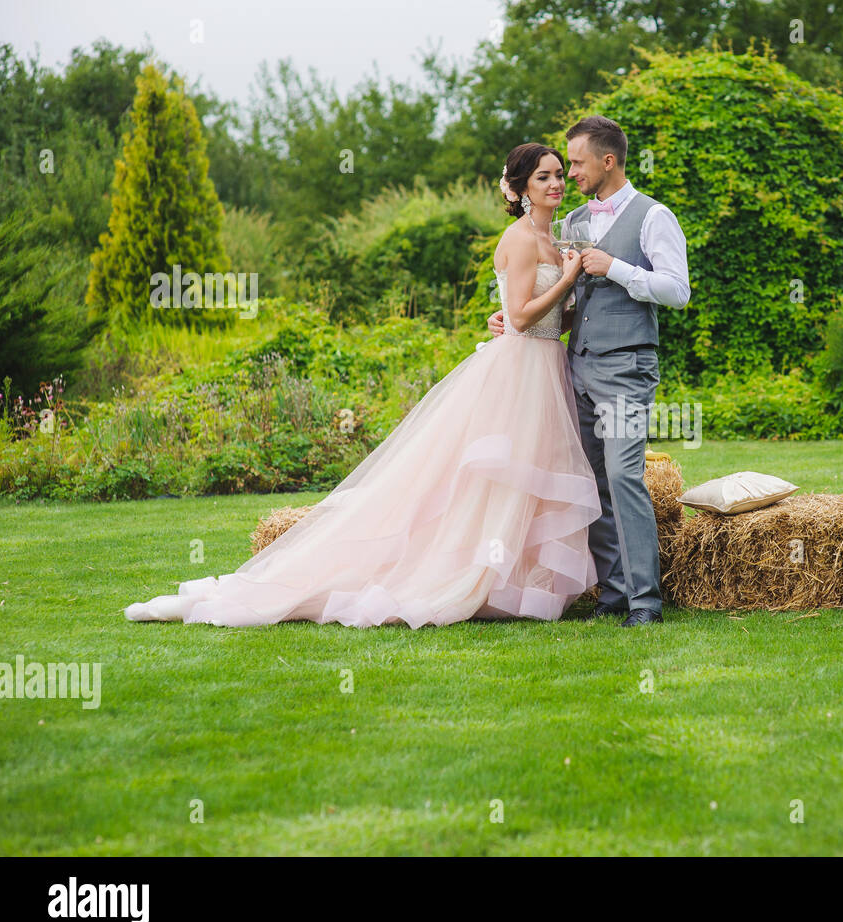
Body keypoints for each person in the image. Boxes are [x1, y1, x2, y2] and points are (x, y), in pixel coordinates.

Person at [125, 143, 600, 628]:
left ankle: (513, 584)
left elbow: (541, 321)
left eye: (559, 174)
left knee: (528, 479)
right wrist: (565, 280)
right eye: (543, 177)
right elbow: (521, 316)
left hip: (545, 368)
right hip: (517, 374)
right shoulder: (520, 238)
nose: (556, 183)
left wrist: (566, 299)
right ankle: (453, 576)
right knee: (495, 479)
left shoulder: (553, 240)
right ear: (521, 189)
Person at [488, 115, 691, 626]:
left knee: (624, 475)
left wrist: (616, 268)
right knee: (591, 479)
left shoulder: (653, 216)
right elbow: (563, 298)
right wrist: (514, 323)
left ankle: (646, 602)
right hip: (573, 366)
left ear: (607, 160)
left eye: (575, 163)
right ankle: (614, 592)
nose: (568, 173)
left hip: (626, 366)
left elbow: (677, 291)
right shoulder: (571, 221)